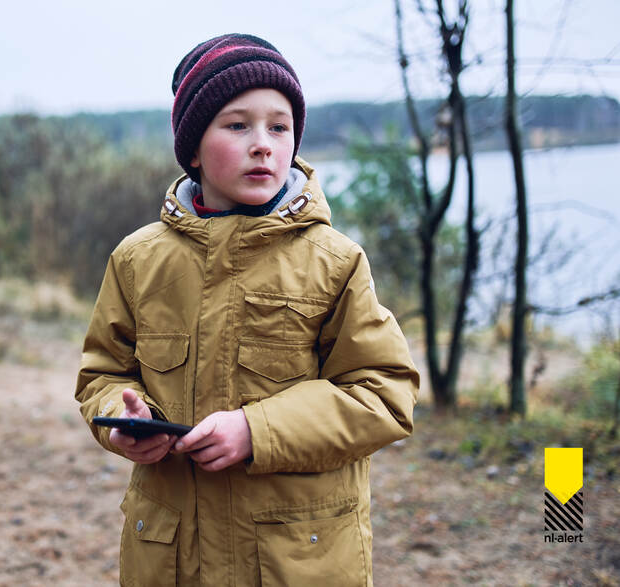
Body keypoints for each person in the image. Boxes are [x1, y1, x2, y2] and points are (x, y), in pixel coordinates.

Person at [75, 33, 419, 586]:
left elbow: (384, 393)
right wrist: (121, 420)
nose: (263, 144)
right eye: (237, 126)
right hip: (171, 560)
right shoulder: (138, 261)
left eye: (279, 127)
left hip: (295, 562)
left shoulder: (334, 261)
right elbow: (103, 373)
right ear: (192, 148)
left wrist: (256, 430)